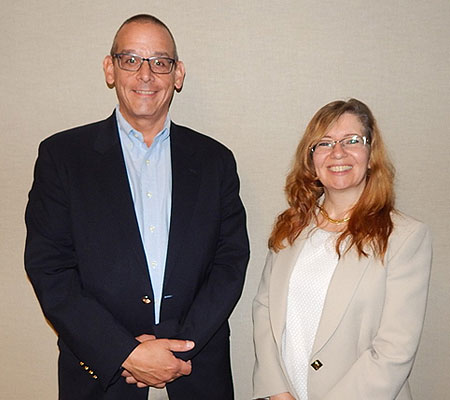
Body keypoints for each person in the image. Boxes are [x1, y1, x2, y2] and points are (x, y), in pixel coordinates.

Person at [25, 14, 249, 400]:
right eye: (130, 60)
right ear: (109, 69)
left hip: (196, 372)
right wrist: (124, 353)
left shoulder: (216, 160)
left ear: (177, 74)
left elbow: (229, 263)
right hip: (102, 378)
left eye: (160, 62)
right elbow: (50, 270)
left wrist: (177, 349)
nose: (146, 75)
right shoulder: (62, 157)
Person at [252, 99, 432, 400]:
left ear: (371, 154)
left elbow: (394, 350)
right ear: (311, 159)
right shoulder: (291, 226)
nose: (338, 152)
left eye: (352, 140)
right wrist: (278, 392)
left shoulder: (405, 238)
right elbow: (264, 310)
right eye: (324, 143)